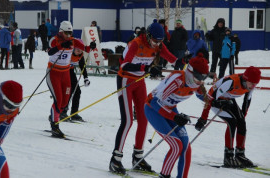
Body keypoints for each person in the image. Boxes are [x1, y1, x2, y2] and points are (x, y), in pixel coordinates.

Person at [109, 19, 178, 175]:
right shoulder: (135, 43)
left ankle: (138, 157)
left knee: (143, 118)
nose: (156, 44)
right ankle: (115, 159)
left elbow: (171, 58)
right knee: (127, 121)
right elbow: (123, 65)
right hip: (125, 80)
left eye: (160, 42)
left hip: (139, 81)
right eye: (154, 41)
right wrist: (145, 67)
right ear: (148, 36)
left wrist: (183, 61)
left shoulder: (159, 44)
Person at [145, 53, 209, 178]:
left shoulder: (196, 83)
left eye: (204, 77)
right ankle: (164, 175)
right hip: (153, 110)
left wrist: (217, 101)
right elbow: (155, 103)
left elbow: (206, 98)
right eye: (198, 76)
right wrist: (174, 117)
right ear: (190, 71)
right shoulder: (177, 80)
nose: (200, 81)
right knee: (176, 145)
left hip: (170, 110)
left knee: (186, 146)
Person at [195, 66, 261, 168]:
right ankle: (228, 156)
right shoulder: (231, 82)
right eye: (252, 83)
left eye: (255, 84)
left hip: (229, 99)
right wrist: (203, 118)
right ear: (246, 79)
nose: (253, 86)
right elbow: (210, 98)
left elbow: (246, 102)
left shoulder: (249, 86)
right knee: (232, 122)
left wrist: (242, 118)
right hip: (214, 101)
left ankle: (240, 154)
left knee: (241, 122)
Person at [46, 21, 96, 138]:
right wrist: (61, 46)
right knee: (58, 100)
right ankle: (55, 125)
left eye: (70, 33)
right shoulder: (54, 40)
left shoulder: (74, 41)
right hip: (53, 73)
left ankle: (54, 115)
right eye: (66, 33)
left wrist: (92, 47)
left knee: (64, 102)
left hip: (66, 74)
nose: (68, 35)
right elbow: (49, 52)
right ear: (61, 32)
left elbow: (86, 49)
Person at [60, 46, 90, 122]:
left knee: (77, 91)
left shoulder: (80, 55)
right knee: (68, 91)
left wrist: (86, 78)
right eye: (77, 50)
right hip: (62, 72)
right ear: (73, 49)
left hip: (70, 72)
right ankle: (62, 112)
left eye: (80, 50)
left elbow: (82, 66)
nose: (79, 52)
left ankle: (74, 113)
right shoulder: (68, 52)